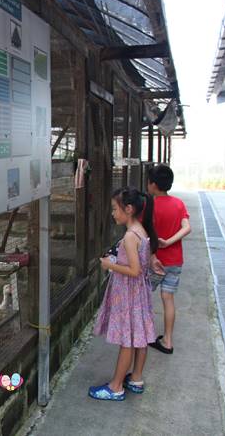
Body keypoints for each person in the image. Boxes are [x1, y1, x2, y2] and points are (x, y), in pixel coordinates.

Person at [88, 187, 158, 401]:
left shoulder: (130, 236)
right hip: (139, 294)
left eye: (114, 208)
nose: (112, 213)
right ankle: (136, 378)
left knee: (127, 340)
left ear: (128, 209)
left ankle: (116, 386)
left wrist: (110, 264)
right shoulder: (141, 230)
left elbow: (134, 270)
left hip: (129, 294)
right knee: (139, 336)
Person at [147, 164, 191, 355]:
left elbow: (147, 234)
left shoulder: (151, 205)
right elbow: (186, 227)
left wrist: (157, 249)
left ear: (153, 185)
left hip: (156, 261)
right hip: (175, 260)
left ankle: (145, 334)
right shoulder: (179, 203)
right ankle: (167, 341)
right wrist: (170, 242)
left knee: (145, 296)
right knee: (168, 299)